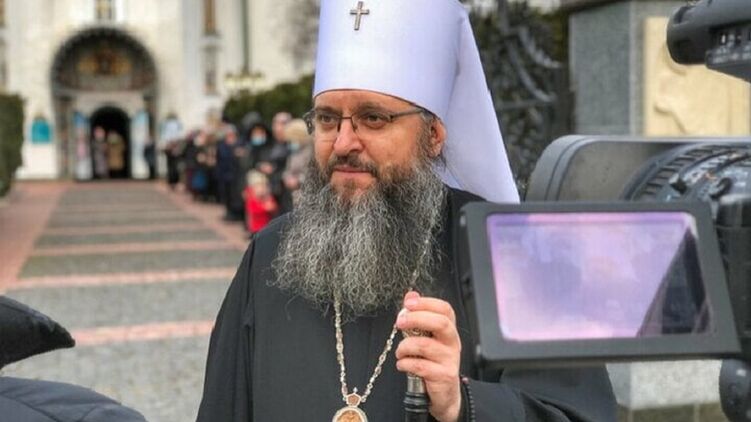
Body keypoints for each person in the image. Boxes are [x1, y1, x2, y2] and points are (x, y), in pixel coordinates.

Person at [197, 0, 617, 421]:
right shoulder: (269, 253)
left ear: (433, 135)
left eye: (373, 118)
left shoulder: (520, 254)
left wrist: (463, 404)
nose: (343, 143)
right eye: (327, 119)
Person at [281, 118, 314, 210]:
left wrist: (298, 180)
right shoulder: (294, 152)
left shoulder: (311, 152)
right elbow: (288, 169)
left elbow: (312, 174)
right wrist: (286, 177)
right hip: (293, 195)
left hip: (307, 195)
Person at [243, 170, 278, 234]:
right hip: (256, 228)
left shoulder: (268, 197)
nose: (261, 189)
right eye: (258, 187)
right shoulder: (252, 198)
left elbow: (274, 207)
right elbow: (254, 209)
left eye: (263, 186)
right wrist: (265, 207)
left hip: (267, 226)